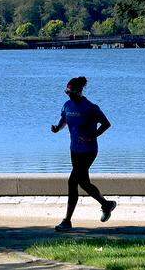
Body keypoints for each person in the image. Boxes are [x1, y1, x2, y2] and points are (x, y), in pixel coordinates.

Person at [50, 76, 115, 231]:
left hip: (88, 150)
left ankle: (67, 221)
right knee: (83, 182)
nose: (68, 94)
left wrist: (92, 136)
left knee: (73, 182)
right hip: (74, 150)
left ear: (79, 91)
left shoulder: (90, 107)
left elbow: (106, 124)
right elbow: (63, 120)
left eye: (71, 92)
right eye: (67, 91)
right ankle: (106, 204)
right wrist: (57, 128)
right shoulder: (67, 105)